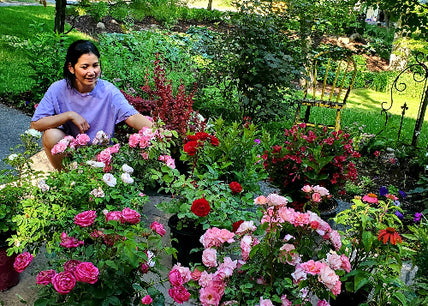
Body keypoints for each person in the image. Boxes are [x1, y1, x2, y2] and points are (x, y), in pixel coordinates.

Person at [31, 40, 153, 170]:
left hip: (99, 155)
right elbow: (36, 124)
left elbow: (132, 116)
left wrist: (157, 131)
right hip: (70, 152)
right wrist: (69, 115)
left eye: (95, 65)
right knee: (51, 135)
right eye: (85, 67)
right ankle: (65, 177)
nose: (91, 72)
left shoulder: (108, 91)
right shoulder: (58, 89)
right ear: (71, 68)